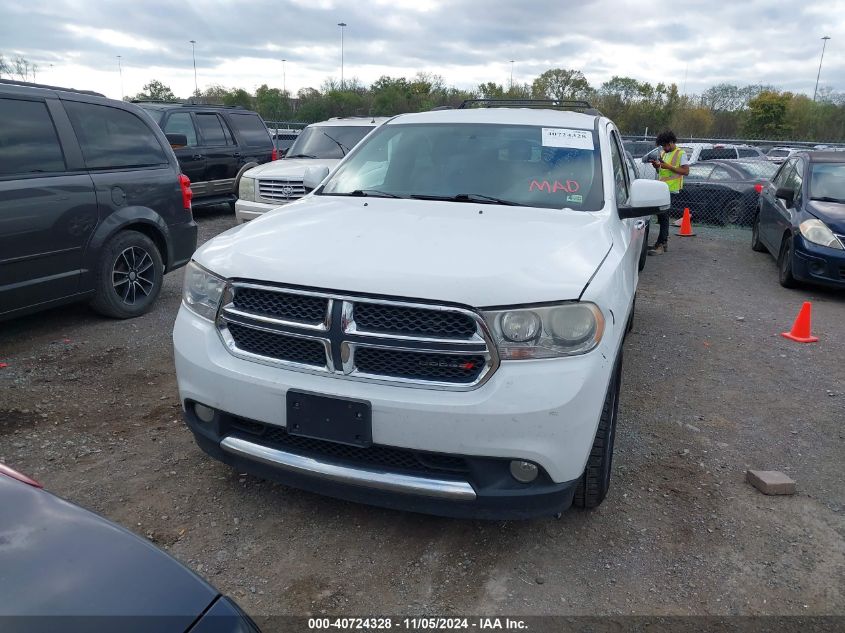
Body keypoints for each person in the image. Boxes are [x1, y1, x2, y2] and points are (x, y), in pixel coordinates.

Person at [648, 130, 689, 255]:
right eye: (663, 146)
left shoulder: (681, 153)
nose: (664, 148)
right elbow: (663, 169)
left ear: (671, 142)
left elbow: (686, 171)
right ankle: (660, 243)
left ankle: (661, 244)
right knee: (661, 217)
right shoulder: (664, 153)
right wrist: (657, 166)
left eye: (666, 145)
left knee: (664, 217)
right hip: (662, 188)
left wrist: (668, 167)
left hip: (672, 189)